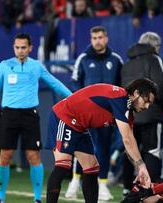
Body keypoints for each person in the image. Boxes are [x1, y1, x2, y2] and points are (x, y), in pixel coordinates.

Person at [0, 33, 72, 203]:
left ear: (30, 48)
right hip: (9, 115)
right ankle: (1, 197)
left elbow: (54, 83)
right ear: (14, 48)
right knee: (5, 156)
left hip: (29, 116)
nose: (20, 50)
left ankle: (37, 198)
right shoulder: (4, 66)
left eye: (23, 47)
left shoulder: (36, 66)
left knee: (34, 157)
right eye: (17, 47)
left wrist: (72, 97)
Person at [45, 78, 156, 203]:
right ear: (136, 93)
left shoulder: (126, 108)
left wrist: (139, 166)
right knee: (63, 165)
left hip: (79, 126)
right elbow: (127, 140)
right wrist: (142, 166)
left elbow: (129, 143)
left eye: (149, 104)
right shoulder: (120, 99)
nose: (147, 106)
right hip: (64, 117)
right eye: (146, 101)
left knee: (92, 167)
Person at [65, 25, 123, 201]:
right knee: (82, 147)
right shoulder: (82, 59)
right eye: (94, 38)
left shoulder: (116, 59)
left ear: (106, 39)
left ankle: (102, 184)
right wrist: (83, 102)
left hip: (106, 114)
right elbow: (74, 83)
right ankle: (75, 181)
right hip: (86, 113)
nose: (98, 41)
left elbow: (121, 86)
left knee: (103, 148)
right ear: (91, 40)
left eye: (100, 37)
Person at [120, 31, 163, 196]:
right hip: (151, 114)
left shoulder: (127, 64)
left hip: (129, 115)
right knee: (152, 151)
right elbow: (160, 87)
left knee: (130, 149)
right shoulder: (155, 60)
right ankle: (150, 187)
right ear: (154, 45)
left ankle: (127, 186)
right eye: (159, 46)